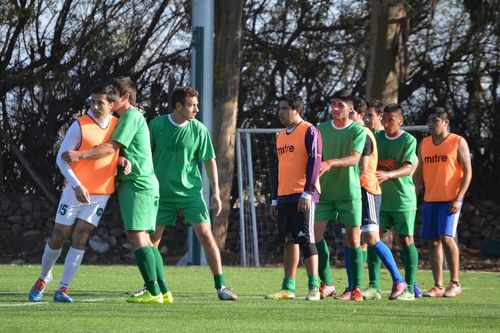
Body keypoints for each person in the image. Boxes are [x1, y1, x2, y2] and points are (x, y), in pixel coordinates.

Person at [62, 76, 170, 304]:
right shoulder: (129, 117)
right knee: (147, 241)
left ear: (125, 97)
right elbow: (121, 153)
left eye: (113, 97)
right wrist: (123, 161)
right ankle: (164, 290)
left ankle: (153, 292)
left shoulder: (130, 116)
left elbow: (112, 147)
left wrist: (79, 155)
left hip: (137, 186)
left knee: (137, 236)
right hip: (145, 185)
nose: (109, 102)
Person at [28, 83, 130, 302]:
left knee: (81, 236)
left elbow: (113, 150)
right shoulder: (79, 125)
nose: (93, 106)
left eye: (99, 102)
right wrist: (76, 185)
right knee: (59, 237)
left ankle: (63, 288)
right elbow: (61, 159)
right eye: (92, 102)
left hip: (101, 192)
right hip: (75, 191)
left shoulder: (117, 125)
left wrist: (122, 160)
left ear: (111, 105)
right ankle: (44, 277)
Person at [147, 86, 237, 301]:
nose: (196, 109)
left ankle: (221, 287)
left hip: (191, 194)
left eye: (197, 104)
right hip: (161, 194)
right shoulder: (157, 125)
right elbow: (144, 155)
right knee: (151, 242)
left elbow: (209, 160)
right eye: (192, 105)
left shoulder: (199, 129)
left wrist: (216, 192)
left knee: (206, 236)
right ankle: (150, 286)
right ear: (178, 106)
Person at [347, 97, 407, 300]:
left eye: (352, 112)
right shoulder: (354, 133)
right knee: (353, 238)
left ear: (360, 115)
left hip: (367, 191)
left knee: (372, 238)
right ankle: (354, 287)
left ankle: (400, 281)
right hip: (354, 192)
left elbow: (362, 168)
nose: (348, 115)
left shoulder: (363, 134)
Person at [265, 93, 322, 301]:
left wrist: (308, 192)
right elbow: (278, 168)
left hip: (302, 195)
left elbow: (315, 162)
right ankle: (288, 288)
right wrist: (274, 198)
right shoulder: (280, 135)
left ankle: (314, 287)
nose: (281, 112)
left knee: (307, 240)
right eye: (279, 108)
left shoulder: (309, 131)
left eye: (285, 109)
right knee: (289, 240)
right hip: (284, 196)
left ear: (296, 110)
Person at [314, 89, 366, 302]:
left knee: (353, 241)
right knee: (314, 237)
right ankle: (327, 283)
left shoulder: (358, 131)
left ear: (351, 108)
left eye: (340, 105)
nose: (335, 109)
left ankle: (356, 289)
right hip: (324, 193)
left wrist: (331, 162)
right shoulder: (320, 129)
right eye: (333, 104)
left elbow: (355, 159)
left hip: (348, 193)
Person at [414, 108, 472, 297]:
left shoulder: (457, 141)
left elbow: (467, 172)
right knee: (433, 241)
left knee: (447, 238)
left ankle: (455, 283)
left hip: (450, 200)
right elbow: (419, 173)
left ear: (445, 122)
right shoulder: (424, 143)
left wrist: (459, 197)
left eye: (435, 120)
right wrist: (415, 195)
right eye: (429, 121)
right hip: (430, 200)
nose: (431, 124)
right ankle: (438, 286)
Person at [375, 103, 419, 301]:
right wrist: (380, 164)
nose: (386, 123)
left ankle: (409, 288)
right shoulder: (376, 138)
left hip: (402, 200)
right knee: (373, 239)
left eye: (390, 120)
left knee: (406, 241)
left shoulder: (409, 140)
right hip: (380, 198)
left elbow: (409, 168)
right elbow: (369, 161)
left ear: (401, 121)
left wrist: (388, 174)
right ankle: (373, 286)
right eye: (384, 119)